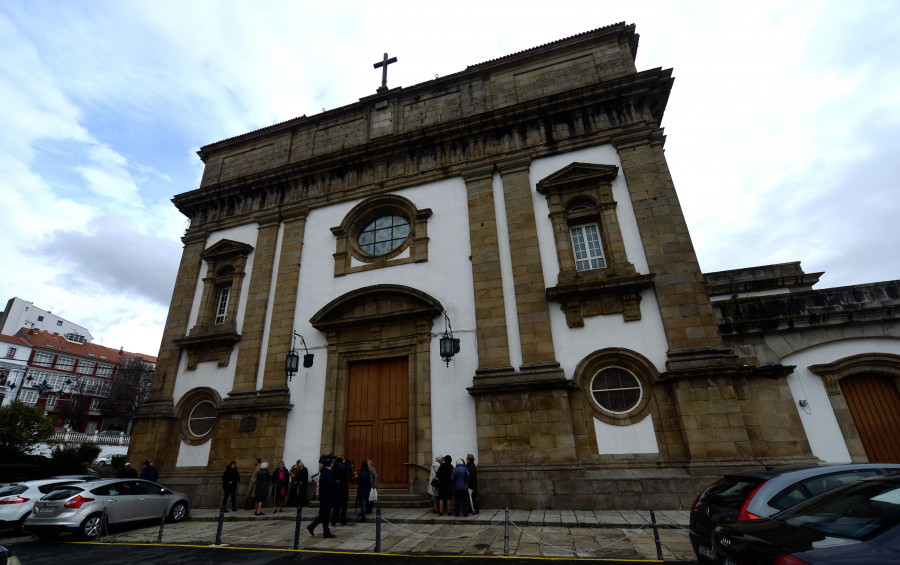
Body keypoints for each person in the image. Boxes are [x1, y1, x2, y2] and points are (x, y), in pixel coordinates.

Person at [307, 457, 336, 538]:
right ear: (330, 464)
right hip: (327, 496)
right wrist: (336, 483)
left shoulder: (325, 471)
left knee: (324, 514)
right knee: (325, 514)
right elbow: (331, 483)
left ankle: (313, 527)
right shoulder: (327, 472)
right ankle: (325, 532)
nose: (333, 464)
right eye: (332, 463)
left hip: (325, 496)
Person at [331, 457, 354, 526]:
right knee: (344, 506)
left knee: (336, 506)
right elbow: (350, 477)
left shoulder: (334, 469)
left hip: (337, 489)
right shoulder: (345, 469)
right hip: (344, 488)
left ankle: (334, 521)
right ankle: (343, 521)